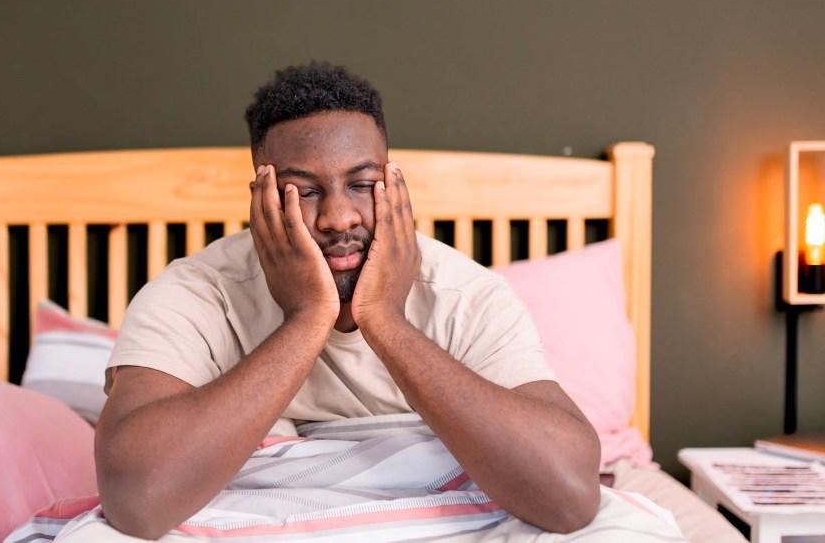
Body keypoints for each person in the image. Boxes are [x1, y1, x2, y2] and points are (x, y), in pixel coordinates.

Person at [94, 62, 601, 540]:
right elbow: (136, 500)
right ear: (261, 197)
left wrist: (383, 318)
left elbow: (570, 497)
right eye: (304, 191)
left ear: (394, 184)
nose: (339, 217)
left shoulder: (463, 295)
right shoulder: (196, 294)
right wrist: (306, 317)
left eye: (361, 184)